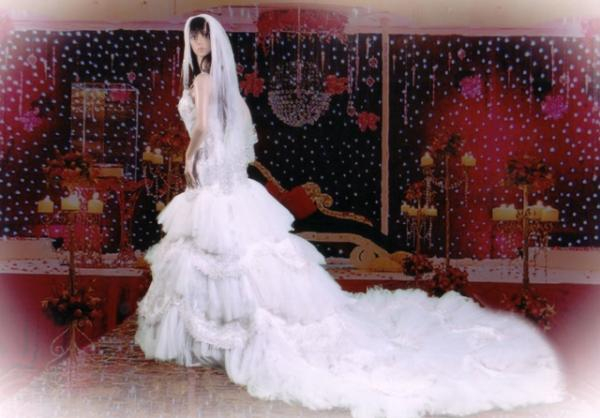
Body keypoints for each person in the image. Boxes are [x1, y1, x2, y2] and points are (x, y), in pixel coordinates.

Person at [135, 13, 565, 418]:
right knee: (222, 258)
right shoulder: (226, 87)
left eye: (202, 35)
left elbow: (203, 129)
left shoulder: (205, 79)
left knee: (218, 256)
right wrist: (216, 165)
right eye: (193, 36)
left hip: (211, 171)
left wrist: (191, 159)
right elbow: (244, 141)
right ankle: (221, 337)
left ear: (213, 41)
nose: (197, 42)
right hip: (221, 174)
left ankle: (225, 338)